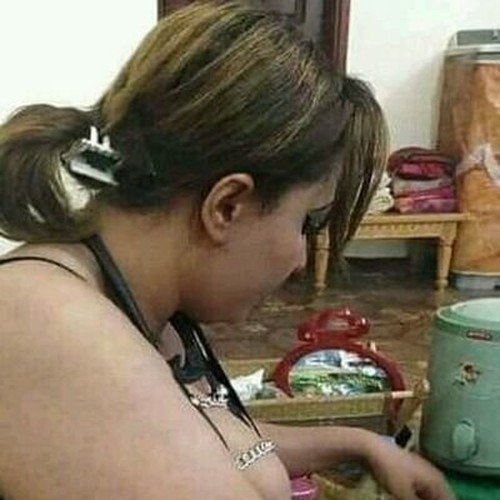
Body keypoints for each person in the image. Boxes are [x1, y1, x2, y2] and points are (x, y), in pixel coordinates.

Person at [0, 2, 453, 499]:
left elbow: (206, 442)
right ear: (227, 205)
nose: (301, 259)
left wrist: (361, 445)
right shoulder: (46, 320)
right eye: (306, 222)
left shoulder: (143, 308)